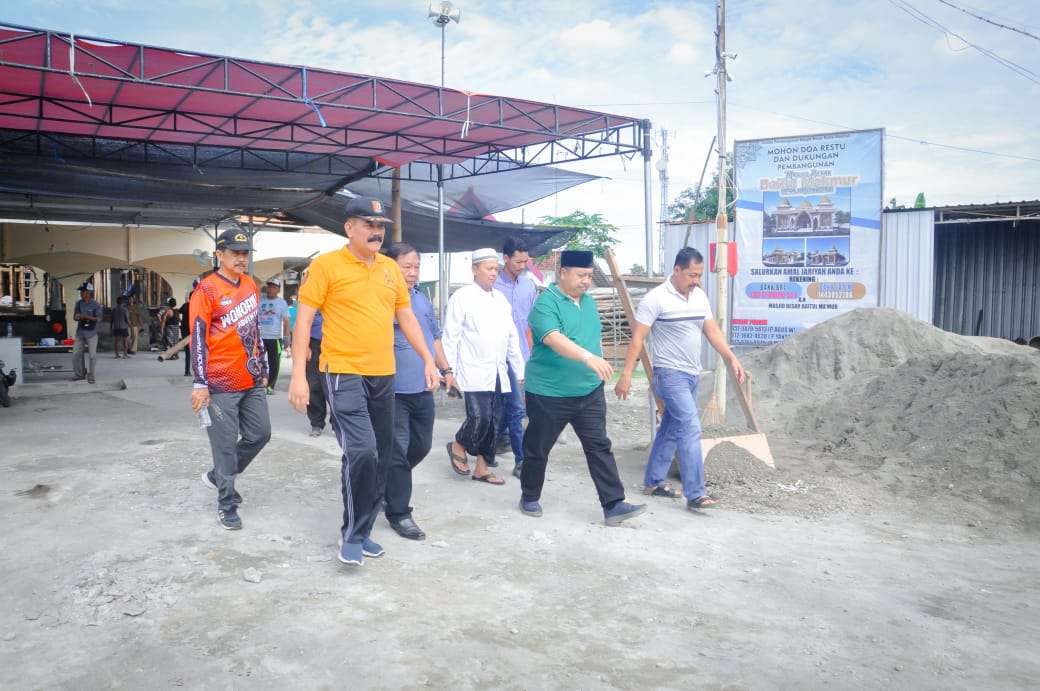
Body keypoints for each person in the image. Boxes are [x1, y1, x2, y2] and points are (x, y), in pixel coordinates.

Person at [288, 196, 437, 567]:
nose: (376, 231)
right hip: (342, 371)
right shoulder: (326, 266)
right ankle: (353, 535)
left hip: (383, 373)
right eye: (368, 224)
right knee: (362, 451)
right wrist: (298, 377)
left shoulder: (389, 269)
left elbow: (407, 318)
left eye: (380, 225)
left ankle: (363, 528)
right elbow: (303, 320)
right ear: (349, 228)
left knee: (381, 456)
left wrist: (428, 360)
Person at [518, 250, 646, 525]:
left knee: (599, 446)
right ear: (563, 273)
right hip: (549, 392)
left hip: (589, 391)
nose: (586, 281)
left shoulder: (588, 302)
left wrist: (598, 366)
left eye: (589, 276)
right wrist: (589, 358)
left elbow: (594, 336)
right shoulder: (546, 303)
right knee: (538, 448)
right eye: (581, 275)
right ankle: (529, 495)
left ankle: (613, 504)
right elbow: (553, 338)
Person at [614, 247, 745, 512]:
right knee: (690, 427)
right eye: (692, 275)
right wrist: (626, 374)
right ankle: (696, 493)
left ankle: (653, 482)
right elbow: (638, 338)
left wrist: (731, 358)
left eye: (699, 275)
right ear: (677, 270)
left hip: (692, 374)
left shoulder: (699, 296)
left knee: (672, 427)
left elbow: (712, 331)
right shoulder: (656, 299)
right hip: (669, 374)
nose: (696, 280)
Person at [190, 228, 271, 531]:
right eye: (235, 253)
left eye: (245, 253)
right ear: (219, 255)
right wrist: (200, 383)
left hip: (251, 378)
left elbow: (255, 329)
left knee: (260, 434)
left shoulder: (250, 285)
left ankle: (217, 476)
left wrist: (263, 367)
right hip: (220, 382)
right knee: (224, 447)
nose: (241, 258)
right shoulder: (207, 290)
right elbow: (198, 338)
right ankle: (226, 504)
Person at [385, 242, 458, 541]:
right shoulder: (382, 299)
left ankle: (385, 485)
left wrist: (446, 370)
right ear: (390, 267)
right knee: (397, 452)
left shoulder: (421, 299)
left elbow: (434, 338)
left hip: (423, 387)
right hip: (393, 390)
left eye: (416, 267)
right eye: (407, 267)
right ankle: (399, 512)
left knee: (422, 445)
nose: (413, 273)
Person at [441, 247, 525, 487]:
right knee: (481, 418)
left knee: (495, 421)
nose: (494, 273)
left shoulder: (500, 300)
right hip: (472, 369)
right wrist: (447, 372)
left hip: (498, 371)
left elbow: (511, 337)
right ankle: (459, 443)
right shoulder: (462, 297)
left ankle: (482, 468)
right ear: (474, 270)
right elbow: (451, 337)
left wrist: (519, 370)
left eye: (496, 269)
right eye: (489, 269)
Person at [494, 237, 537, 478]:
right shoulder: (492, 285)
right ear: (506, 258)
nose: (522, 266)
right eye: (518, 261)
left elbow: (533, 323)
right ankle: (520, 459)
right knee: (512, 407)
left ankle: (499, 443)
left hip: (523, 356)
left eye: (525, 262)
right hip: (497, 357)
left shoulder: (528, 286)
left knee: (516, 407)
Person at [258, 278, 290, 394]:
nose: (271, 289)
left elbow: (286, 321)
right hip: (260, 337)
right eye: (269, 286)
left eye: (274, 287)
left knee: (274, 364)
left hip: (274, 338)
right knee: (257, 362)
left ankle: (270, 386)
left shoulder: (282, 303)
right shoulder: (260, 301)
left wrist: (286, 338)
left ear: (278, 290)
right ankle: (258, 385)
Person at [70, 281, 103, 384]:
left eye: (83, 291)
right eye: (81, 292)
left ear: (89, 292)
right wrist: (77, 317)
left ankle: (91, 375)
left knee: (92, 355)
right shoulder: (78, 304)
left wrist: (86, 316)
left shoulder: (96, 304)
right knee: (75, 354)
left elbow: (99, 319)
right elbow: (75, 317)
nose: (81, 293)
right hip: (80, 333)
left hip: (92, 333)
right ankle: (78, 374)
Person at [304, 309, 329, 437]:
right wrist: (305, 345)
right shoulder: (311, 297)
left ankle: (338, 423)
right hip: (314, 342)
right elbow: (303, 321)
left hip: (336, 341)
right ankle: (316, 423)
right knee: (313, 384)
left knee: (337, 383)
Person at [178, 280, 198, 376]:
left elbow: (177, 312)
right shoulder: (198, 307)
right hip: (194, 331)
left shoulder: (185, 306)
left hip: (185, 331)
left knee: (188, 351)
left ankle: (187, 371)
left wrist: (180, 321)